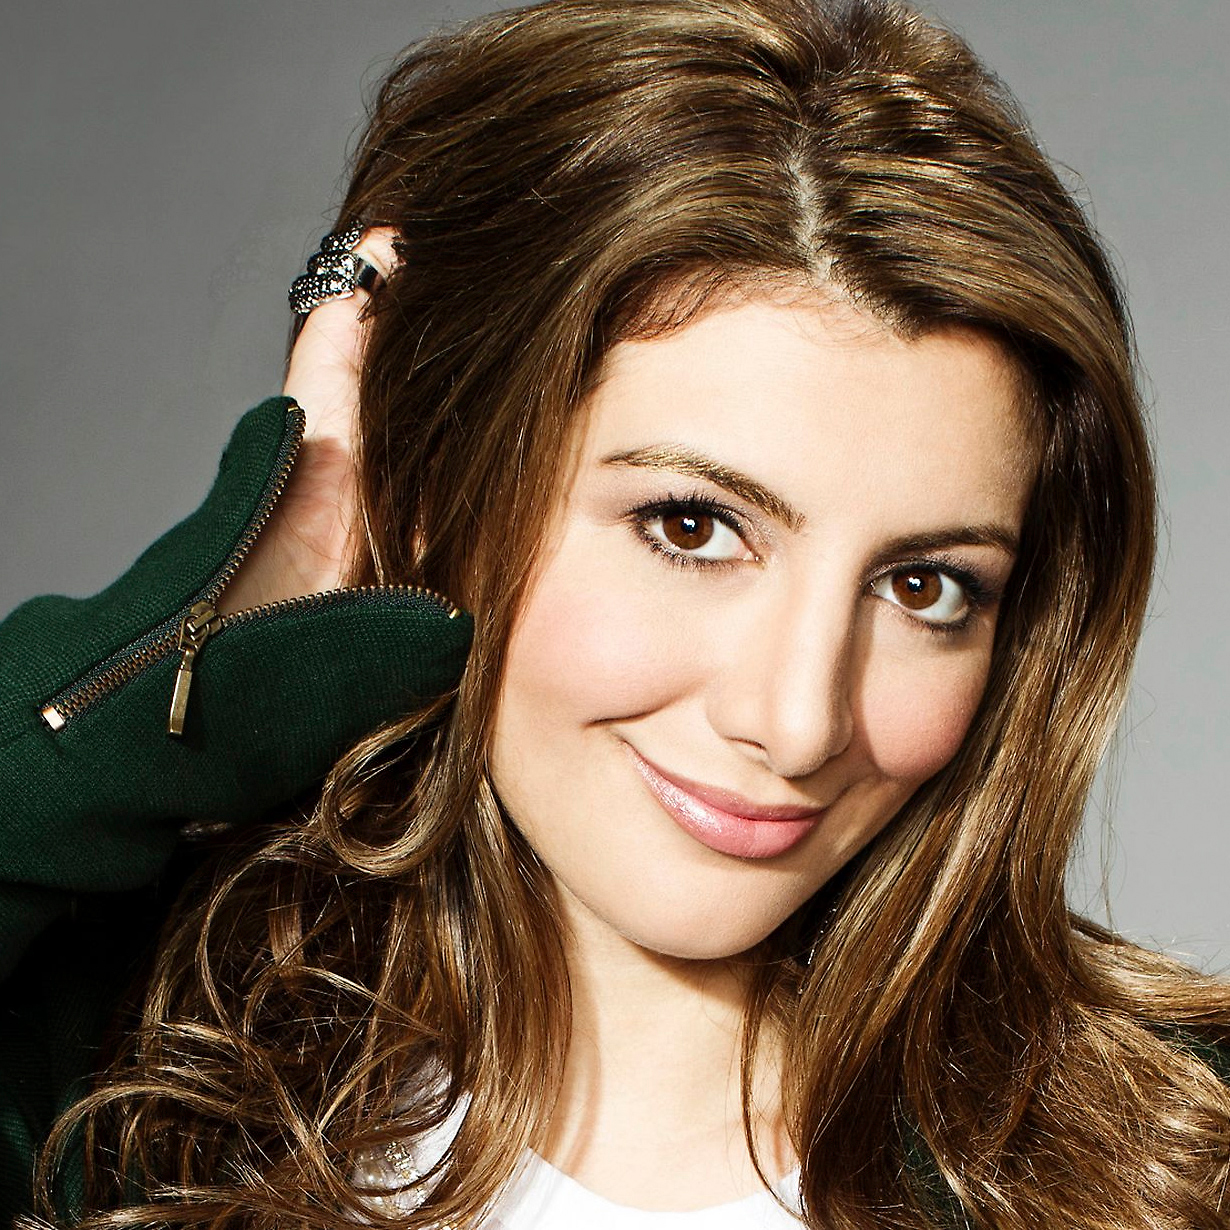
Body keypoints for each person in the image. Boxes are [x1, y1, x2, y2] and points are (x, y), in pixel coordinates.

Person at [2, 0, 1228, 1226]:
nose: (798, 724)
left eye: (924, 586)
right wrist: (243, 611)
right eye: (691, 527)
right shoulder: (119, 1090)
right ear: (439, 492)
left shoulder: (1180, 1169)